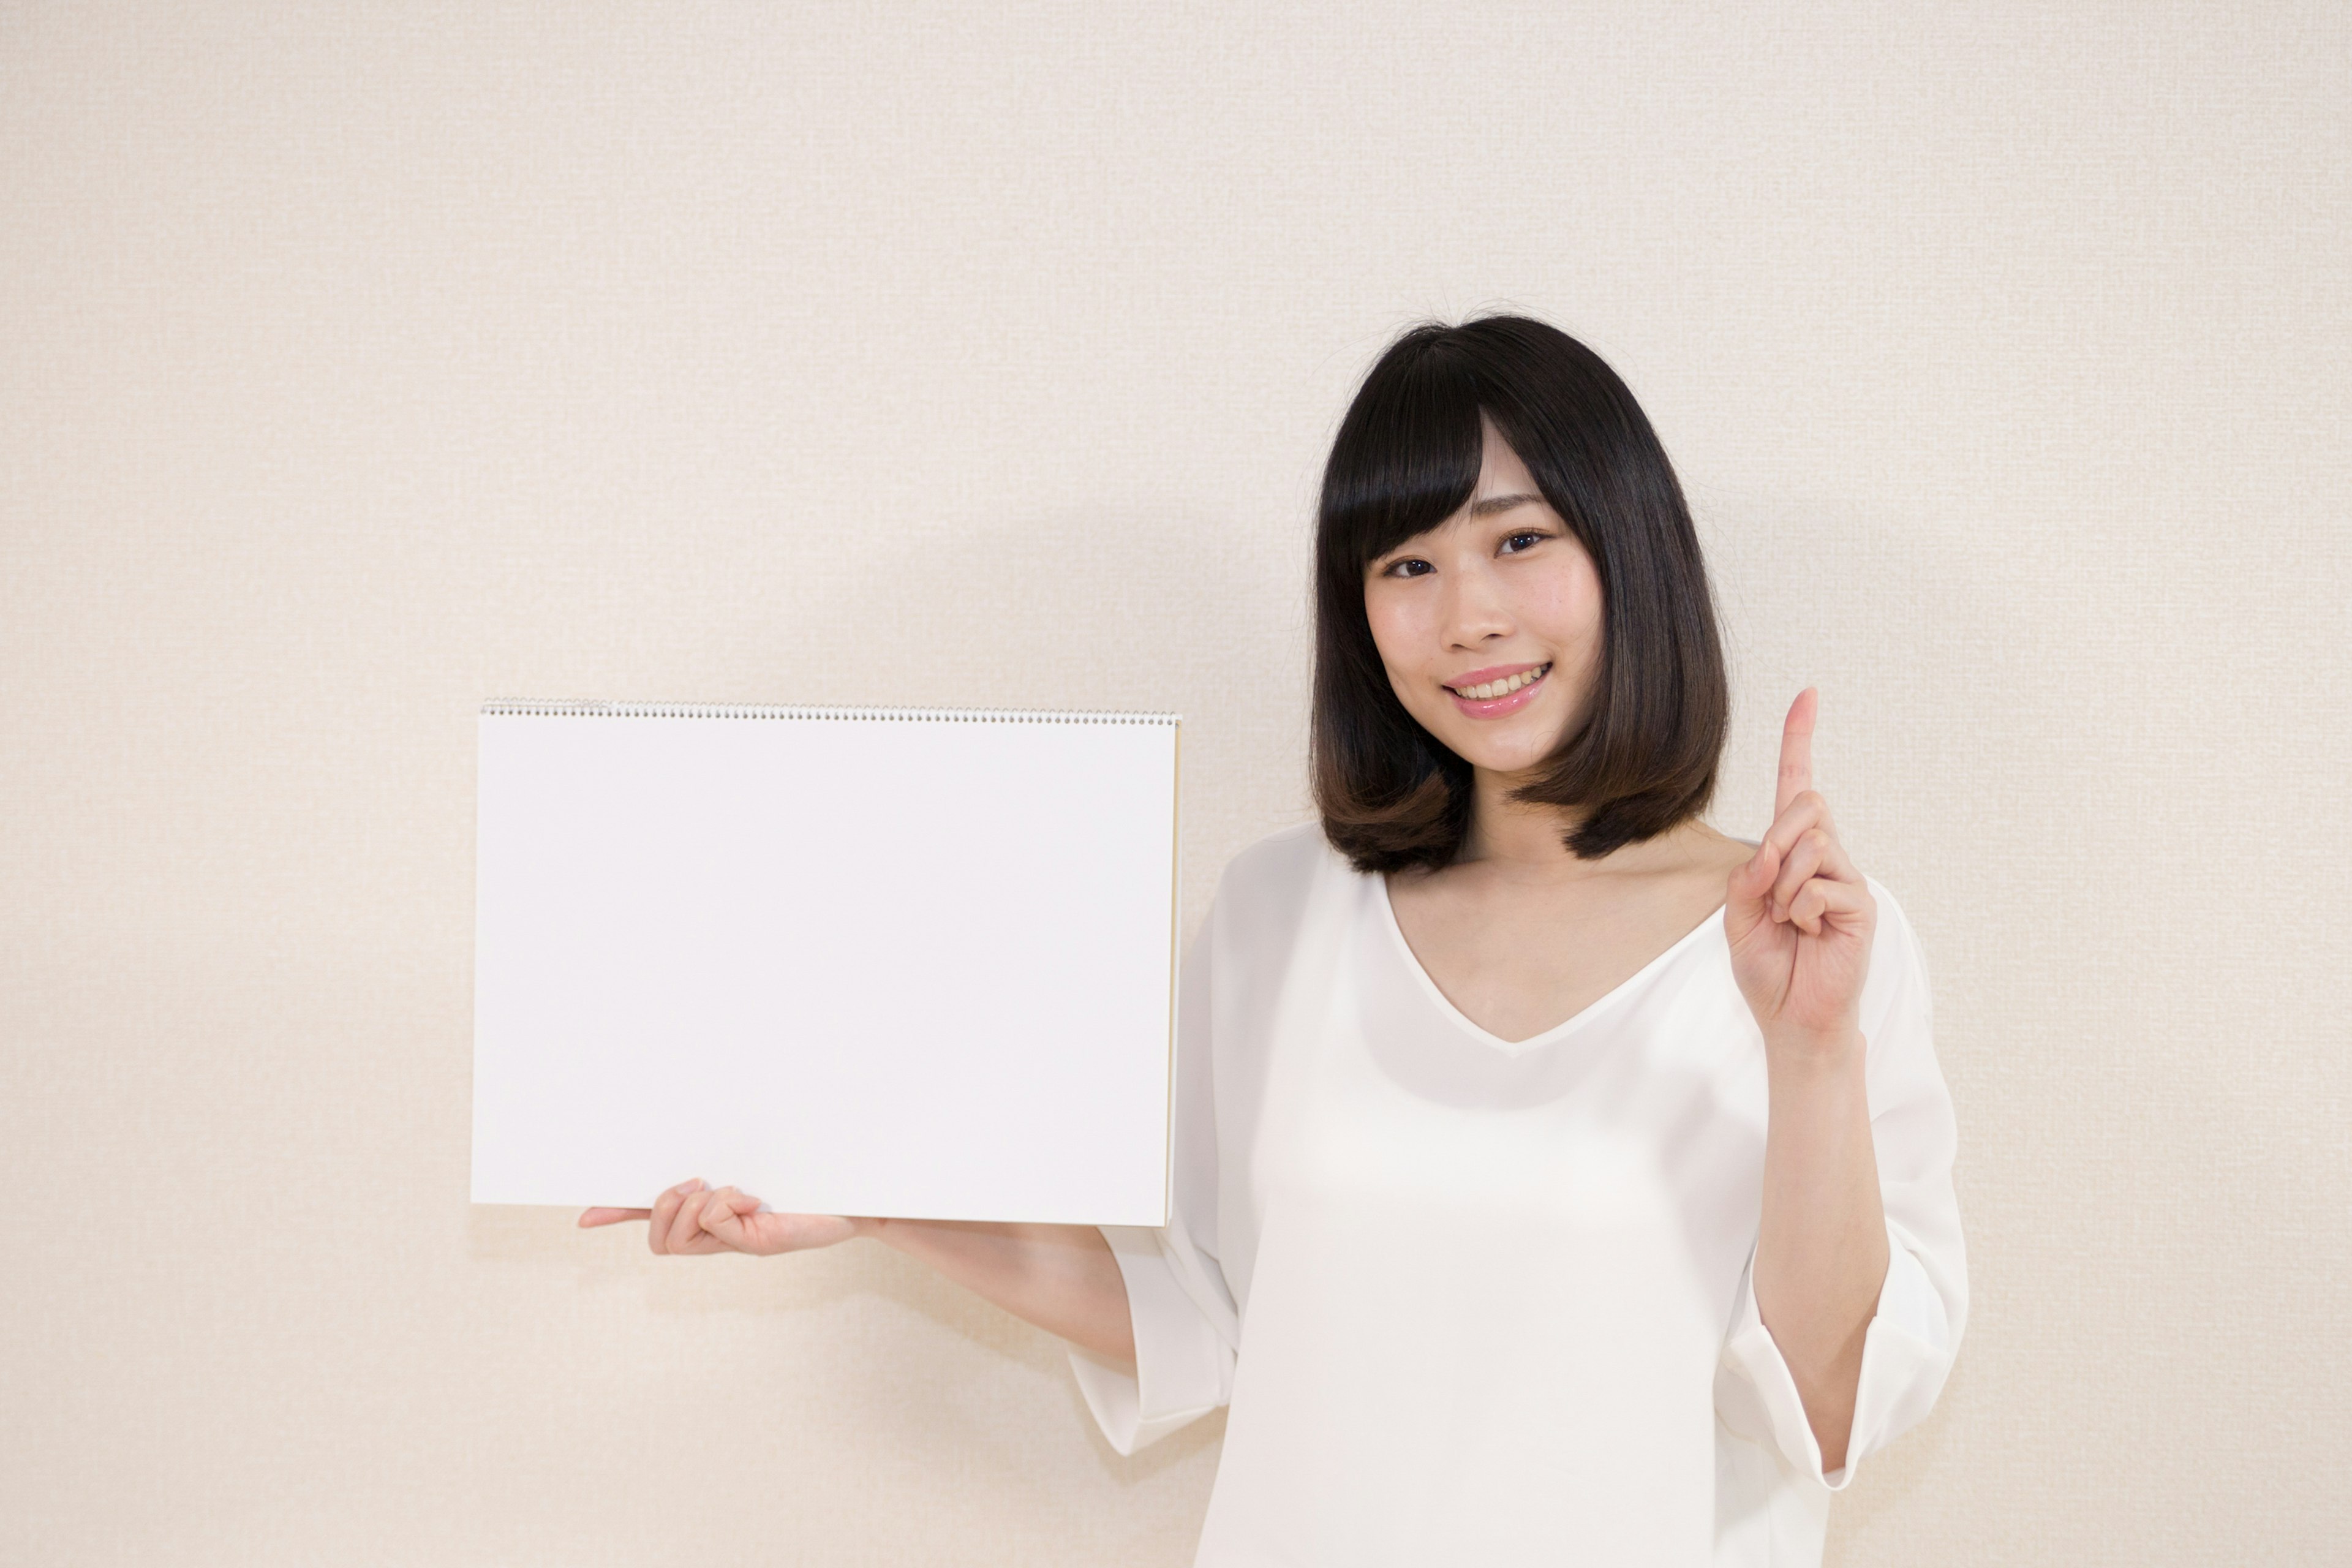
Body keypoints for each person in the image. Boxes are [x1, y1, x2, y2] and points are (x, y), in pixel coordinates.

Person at [579, 314, 1967, 1566]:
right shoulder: (1277, 913)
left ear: (1631, 548)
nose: (1467, 613)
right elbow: (1205, 1309)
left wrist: (1811, 1052)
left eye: (1519, 539)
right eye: (1406, 561)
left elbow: (1834, 1403)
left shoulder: (1809, 948)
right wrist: (884, 1200)